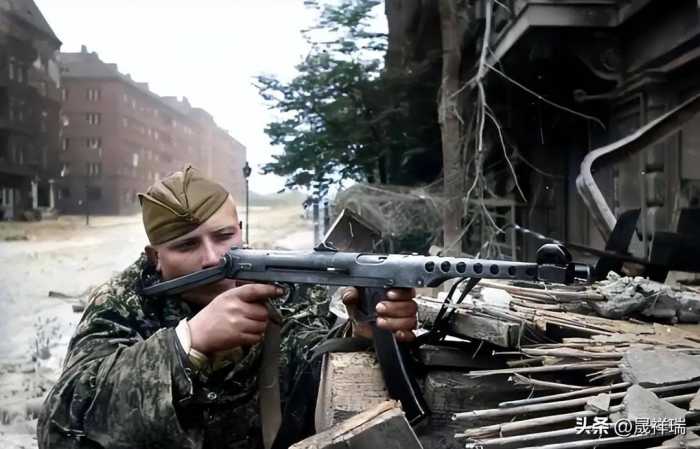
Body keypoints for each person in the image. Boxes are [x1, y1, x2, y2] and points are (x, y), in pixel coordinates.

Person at [38, 165, 418, 449]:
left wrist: (360, 334)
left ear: (241, 229)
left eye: (224, 237)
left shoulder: (285, 282)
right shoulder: (123, 301)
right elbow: (61, 424)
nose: (211, 258)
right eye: (186, 246)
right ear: (154, 257)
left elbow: (310, 375)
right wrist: (188, 344)